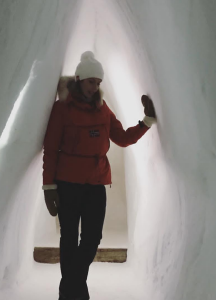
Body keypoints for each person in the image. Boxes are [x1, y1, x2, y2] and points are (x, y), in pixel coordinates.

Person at [42, 51, 156, 300]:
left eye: (98, 83)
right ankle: (77, 295)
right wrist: (48, 186)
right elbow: (50, 148)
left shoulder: (103, 110)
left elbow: (123, 138)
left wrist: (146, 121)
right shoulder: (62, 109)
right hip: (67, 183)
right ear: (80, 79)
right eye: (91, 81)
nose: (95, 87)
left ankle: (68, 288)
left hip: (96, 183)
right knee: (69, 238)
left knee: (92, 238)